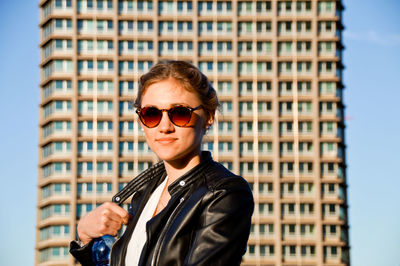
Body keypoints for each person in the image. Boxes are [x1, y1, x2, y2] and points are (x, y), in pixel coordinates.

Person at [70, 60, 254, 266]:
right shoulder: (144, 194)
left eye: (180, 113)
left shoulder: (224, 193)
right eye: (151, 114)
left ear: (209, 116)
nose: (164, 126)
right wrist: (86, 241)